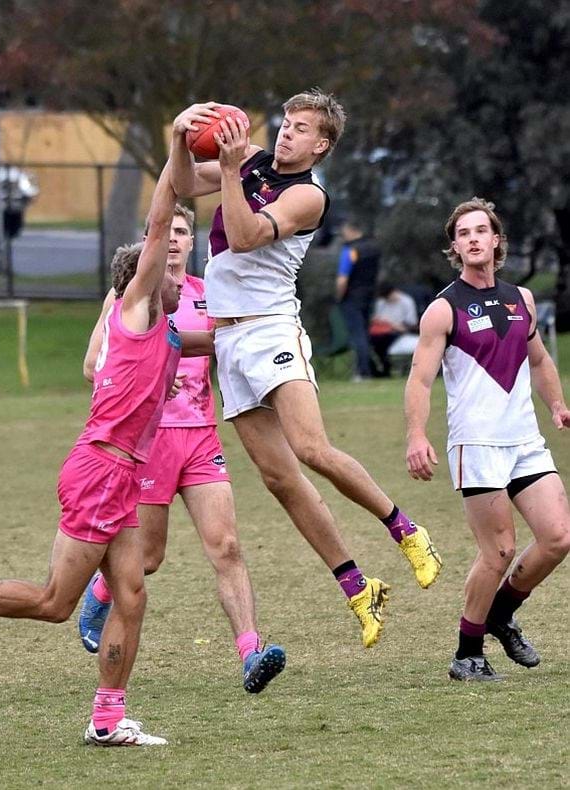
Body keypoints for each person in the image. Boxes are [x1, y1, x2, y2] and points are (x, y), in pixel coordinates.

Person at [0, 170, 210, 747]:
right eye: (162, 268)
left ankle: (108, 720)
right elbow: (162, 222)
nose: (175, 275)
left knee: (132, 596)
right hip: (100, 471)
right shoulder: (137, 312)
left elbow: (216, 338)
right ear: (138, 281)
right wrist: (177, 153)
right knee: (54, 604)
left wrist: (269, 320)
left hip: (120, 477)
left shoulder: (169, 335)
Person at [166, 90, 441, 648]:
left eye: (301, 128)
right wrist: (178, 140)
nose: (287, 132)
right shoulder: (255, 161)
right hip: (229, 339)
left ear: (322, 145)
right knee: (279, 479)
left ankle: (405, 529)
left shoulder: (309, 197)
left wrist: (227, 168)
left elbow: (241, 237)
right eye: (286, 122)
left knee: (311, 449)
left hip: (270, 329)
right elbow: (180, 185)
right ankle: (358, 587)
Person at [77, 204, 285, 694]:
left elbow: (224, 342)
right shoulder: (128, 297)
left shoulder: (210, 295)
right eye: (163, 231)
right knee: (148, 557)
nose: (172, 240)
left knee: (227, 546)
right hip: (149, 443)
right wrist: (147, 379)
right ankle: (99, 591)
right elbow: (93, 365)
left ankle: (251, 652)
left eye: (181, 232)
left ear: (192, 242)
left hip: (201, 437)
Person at [405, 198, 570, 682]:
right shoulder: (443, 309)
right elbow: (418, 379)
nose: (474, 238)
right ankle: (467, 653)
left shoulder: (522, 299)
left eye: (482, 231)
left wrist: (557, 405)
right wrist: (417, 435)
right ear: (454, 246)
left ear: (496, 240)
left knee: (559, 537)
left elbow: (538, 360)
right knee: (498, 552)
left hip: (525, 441)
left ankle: (499, 615)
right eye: (464, 233)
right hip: (476, 445)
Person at [335, 218, 381, 381]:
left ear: (350, 230)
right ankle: (370, 368)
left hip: (352, 297)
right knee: (365, 333)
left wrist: (339, 297)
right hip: (370, 296)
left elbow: (342, 278)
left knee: (357, 334)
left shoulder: (351, 250)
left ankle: (362, 372)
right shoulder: (374, 248)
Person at [369, 283, 418, 377]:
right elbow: (377, 318)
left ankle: (385, 367)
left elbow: (412, 323)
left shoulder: (406, 301)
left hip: (398, 331)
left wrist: (393, 325)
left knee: (382, 341)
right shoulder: (381, 303)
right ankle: (379, 368)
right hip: (381, 331)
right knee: (374, 340)